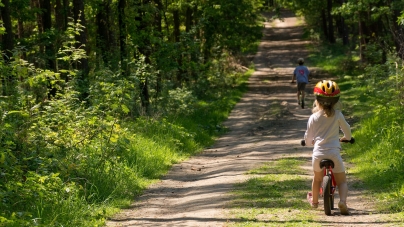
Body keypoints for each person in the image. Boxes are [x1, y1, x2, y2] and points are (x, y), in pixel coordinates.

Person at [304, 80, 351, 215]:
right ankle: (342, 201)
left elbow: (308, 137)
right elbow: (347, 131)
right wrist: (347, 138)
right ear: (336, 101)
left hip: (318, 153)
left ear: (317, 101)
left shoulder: (313, 117)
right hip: (334, 153)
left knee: (317, 179)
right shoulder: (338, 115)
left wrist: (308, 142)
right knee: (342, 181)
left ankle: (314, 201)